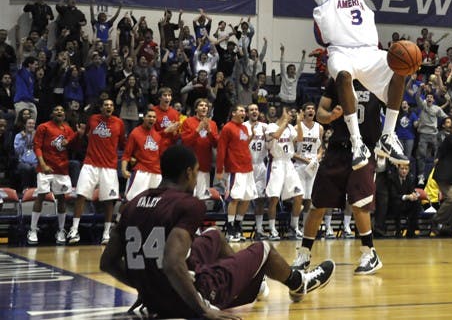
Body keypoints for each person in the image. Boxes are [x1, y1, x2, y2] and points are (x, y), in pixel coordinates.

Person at [100, 144, 335, 318]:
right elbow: (172, 264)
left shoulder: (133, 203)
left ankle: (252, 283)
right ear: (189, 173)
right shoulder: (188, 203)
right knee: (265, 248)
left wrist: (147, 285)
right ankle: (298, 282)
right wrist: (204, 309)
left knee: (213, 234)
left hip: (154, 298)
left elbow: (108, 262)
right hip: (190, 297)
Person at [312, 0, 408, 170]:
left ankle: (388, 136)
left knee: (403, 66)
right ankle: (357, 142)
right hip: (341, 52)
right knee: (343, 76)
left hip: (369, 53)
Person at [292, 79, 384, 276]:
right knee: (318, 204)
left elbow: (396, 101)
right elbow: (321, 113)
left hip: (364, 149)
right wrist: (331, 115)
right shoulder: (339, 79)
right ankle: (304, 253)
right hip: (337, 149)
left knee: (360, 203)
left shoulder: (376, 79)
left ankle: (370, 253)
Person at [68, 98, 126, 244]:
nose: (109, 107)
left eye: (111, 105)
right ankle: (74, 230)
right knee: (80, 195)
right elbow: (85, 135)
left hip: (109, 167)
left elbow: (123, 144)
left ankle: (106, 233)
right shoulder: (93, 119)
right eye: (106, 105)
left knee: (109, 201)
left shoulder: (119, 123)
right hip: (90, 164)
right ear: (101, 108)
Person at [27, 105, 84, 245]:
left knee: (61, 199)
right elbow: (37, 147)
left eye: (62, 110)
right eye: (56, 110)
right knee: (41, 196)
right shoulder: (43, 127)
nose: (59, 111)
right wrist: (43, 164)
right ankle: (33, 229)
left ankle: (60, 230)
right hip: (45, 168)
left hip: (61, 169)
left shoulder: (68, 129)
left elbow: (75, 147)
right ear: (52, 114)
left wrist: (78, 135)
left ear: (64, 115)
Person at [216, 105, 255, 243]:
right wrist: (219, 170)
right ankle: (230, 226)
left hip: (248, 168)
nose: (244, 113)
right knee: (234, 198)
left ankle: (238, 224)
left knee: (247, 198)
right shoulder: (227, 128)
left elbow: (243, 146)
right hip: (235, 168)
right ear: (233, 113)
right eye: (241, 111)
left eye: (244, 111)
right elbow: (221, 150)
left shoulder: (245, 128)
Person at [265, 108, 305, 240]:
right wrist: (285, 122)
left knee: (299, 195)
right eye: (289, 112)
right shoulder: (271, 126)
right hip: (276, 163)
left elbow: (300, 139)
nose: (292, 115)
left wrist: (299, 123)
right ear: (282, 112)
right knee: (274, 198)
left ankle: (294, 227)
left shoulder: (290, 128)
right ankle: (272, 229)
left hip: (288, 163)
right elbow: (276, 135)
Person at [121, 110, 165, 201]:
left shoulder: (158, 136)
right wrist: (124, 169)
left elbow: (161, 156)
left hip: (156, 173)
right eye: (149, 116)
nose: (151, 119)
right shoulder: (135, 133)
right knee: (131, 200)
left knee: (154, 203)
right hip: (141, 172)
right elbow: (126, 154)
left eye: (154, 117)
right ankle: (120, 215)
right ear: (144, 118)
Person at [294, 102, 324, 235]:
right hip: (299, 165)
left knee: (310, 198)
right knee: (299, 197)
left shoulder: (320, 128)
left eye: (313, 108)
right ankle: (293, 226)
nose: (311, 110)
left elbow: (320, 148)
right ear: (303, 112)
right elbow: (292, 151)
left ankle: (306, 227)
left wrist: (317, 158)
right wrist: (305, 160)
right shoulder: (296, 128)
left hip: (313, 165)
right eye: (308, 109)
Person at [181, 98, 219, 200]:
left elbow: (216, 144)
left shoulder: (213, 124)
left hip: (205, 166)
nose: (204, 107)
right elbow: (185, 142)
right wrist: (198, 129)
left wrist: (210, 131)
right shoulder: (188, 122)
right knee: (188, 198)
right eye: (201, 105)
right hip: (190, 166)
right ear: (196, 109)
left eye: (206, 106)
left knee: (202, 198)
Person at [243, 103, 270, 239]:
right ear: (247, 113)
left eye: (256, 109)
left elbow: (271, 144)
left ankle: (259, 229)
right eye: (251, 109)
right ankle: (238, 227)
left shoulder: (265, 127)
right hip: (246, 166)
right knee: (244, 198)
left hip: (260, 165)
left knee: (260, 199)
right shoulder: (243, 127)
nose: (254, 111)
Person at [388, 162, 422, 238]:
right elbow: (393, 195)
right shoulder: (392, 178)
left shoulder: (410, 178)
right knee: (397, 203)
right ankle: (398, 231)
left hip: (405, 203)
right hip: (394, 203)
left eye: (406, 169)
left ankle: (411, 231)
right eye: (402, 169)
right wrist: (407, 196)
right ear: (398, 169)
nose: (404, 171)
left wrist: (414, 195)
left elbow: (412, 190)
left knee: (417, 203)